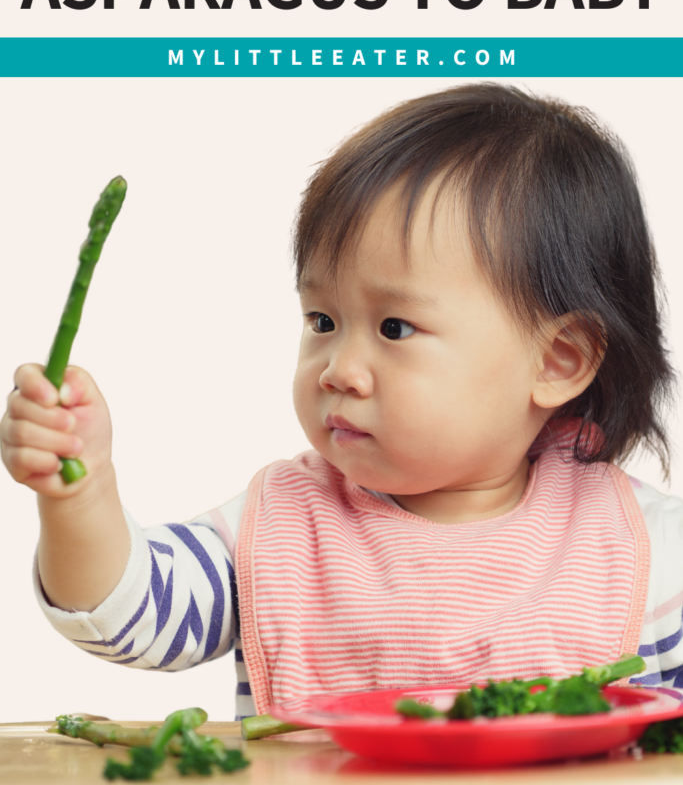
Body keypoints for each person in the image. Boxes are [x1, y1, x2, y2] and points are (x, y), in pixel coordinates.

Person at [2, 83, 681, 719]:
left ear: (557, 360)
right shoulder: (280, 526)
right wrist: (80, 494)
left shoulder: (648, 551)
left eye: (394, 328)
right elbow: (128, 618)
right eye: (322, 321)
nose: (338, 370)